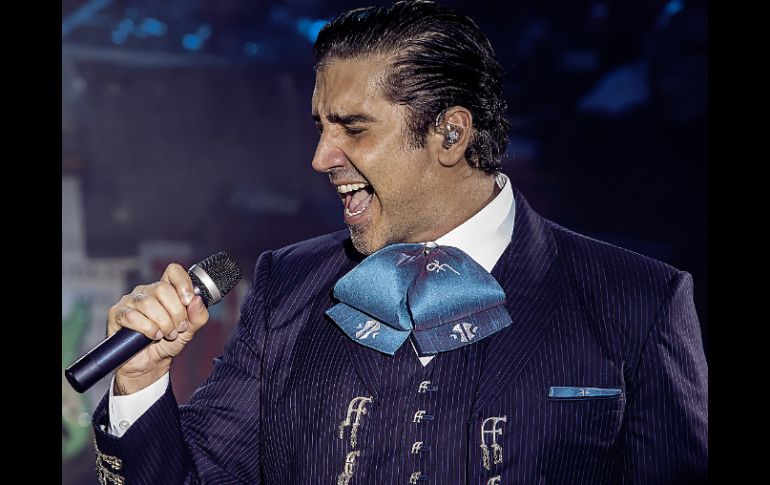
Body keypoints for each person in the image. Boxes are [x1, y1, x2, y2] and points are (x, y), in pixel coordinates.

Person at [90, 1, 708, 484]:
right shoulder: (287, 287)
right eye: (321, 127)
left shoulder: (639, 301)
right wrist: (142, 382)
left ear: (450, 135)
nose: (321, 157)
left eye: (353, 128)